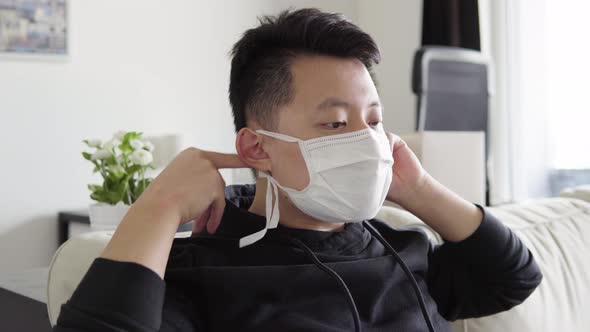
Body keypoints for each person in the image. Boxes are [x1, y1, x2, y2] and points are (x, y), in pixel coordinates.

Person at [53, 8, 542, 332]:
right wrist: (158, 206)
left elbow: (513, 276)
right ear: (257, 148)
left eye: (373, 121)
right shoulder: (201, 272)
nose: (366, 140)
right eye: (335, 122)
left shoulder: (402, 247)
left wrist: (417, 188)